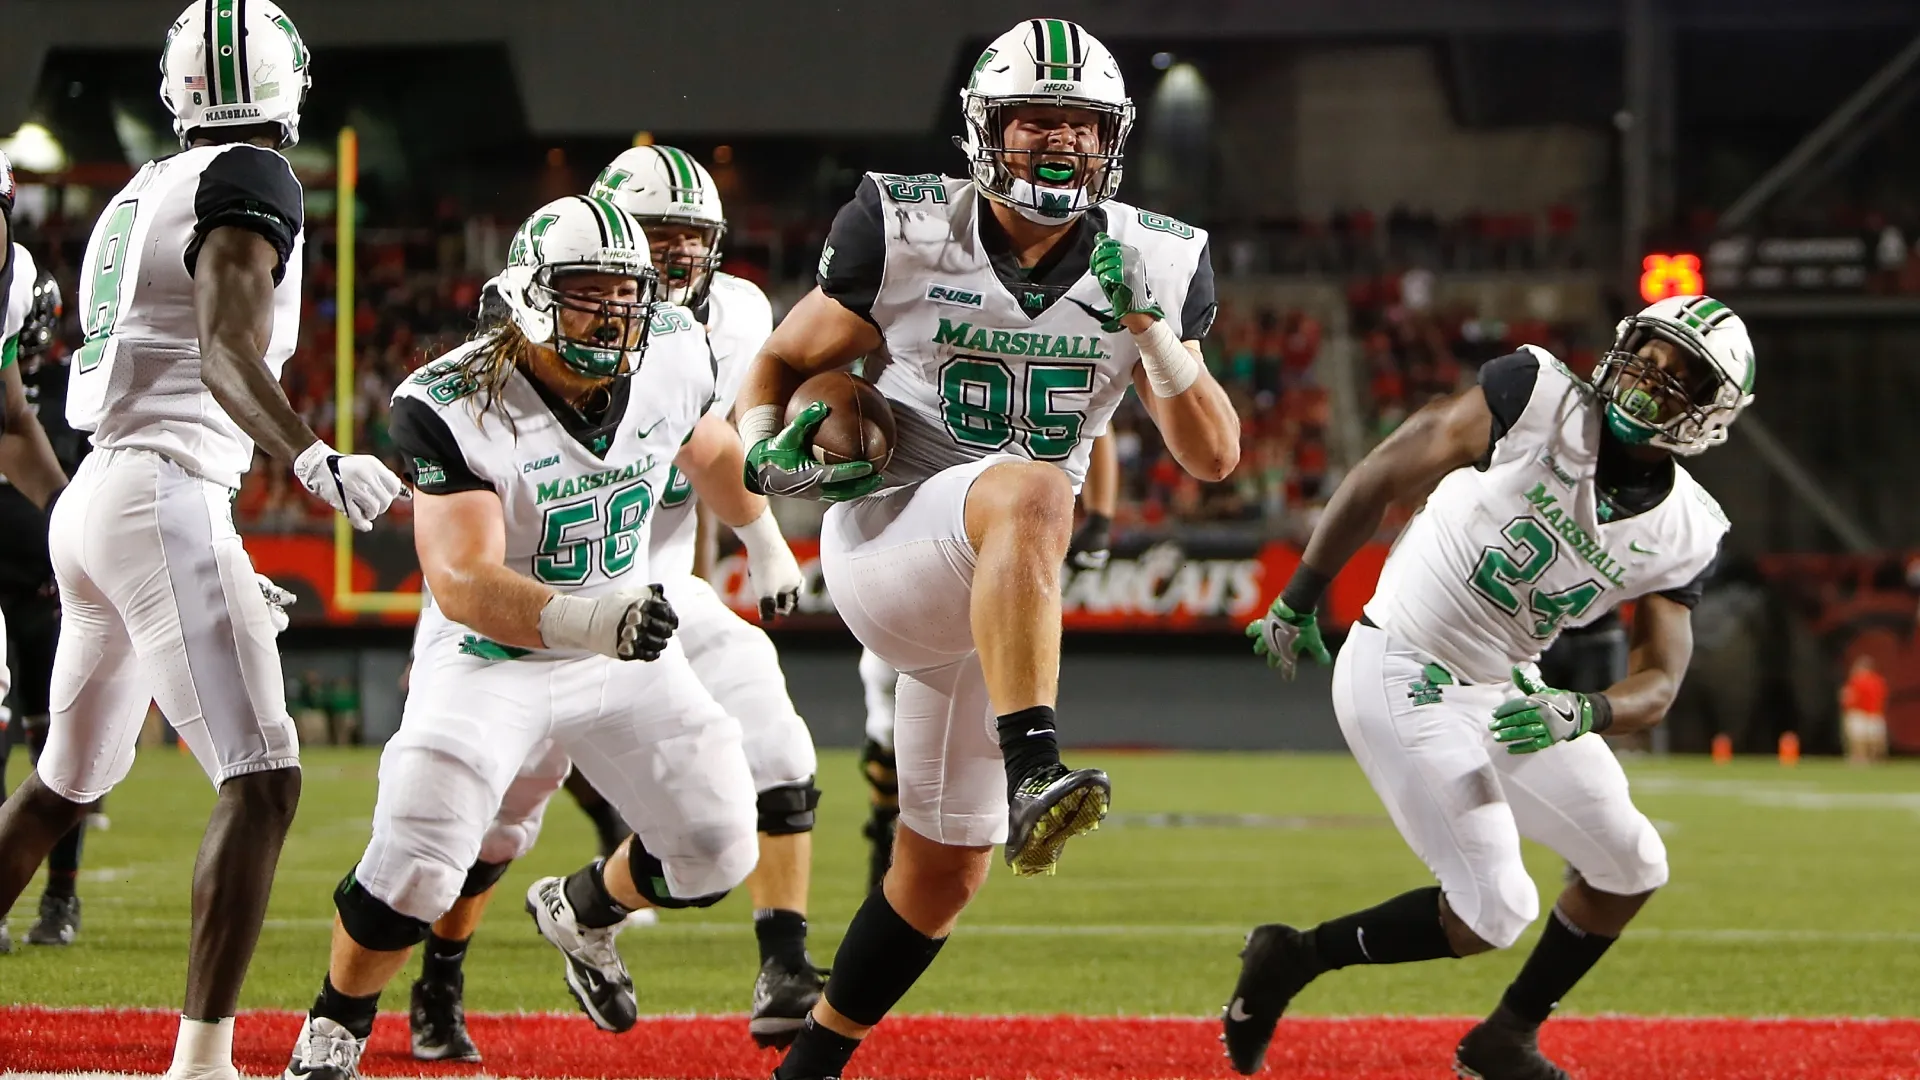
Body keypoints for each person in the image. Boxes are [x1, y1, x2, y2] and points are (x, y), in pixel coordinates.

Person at [737, 20, 1238, 1079]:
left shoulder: (1152, 255)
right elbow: (781, 360)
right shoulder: (909, 227)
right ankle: (1037, 766)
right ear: (985, 130)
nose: (1057, 146)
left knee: (942, 872)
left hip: (990, 604)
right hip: (889, 541)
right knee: (1028, 485)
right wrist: (762, 447)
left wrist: (1154, 338)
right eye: (1033, 123)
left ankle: (810, 1064)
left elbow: (1215, 457)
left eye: (1080, 127)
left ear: (1114, 140)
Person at [0, 8, 398, 1079]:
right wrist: (313, 461)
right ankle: (204, 1063)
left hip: (102, 499)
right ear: (289, 87)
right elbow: (223, 351)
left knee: (60, 788)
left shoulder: (137, 194)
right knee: (263, 778)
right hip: (158, 489)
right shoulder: (254, 179)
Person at [281, 195, 759, 1080]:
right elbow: (462, 582)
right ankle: (336, 1027)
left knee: (719, 843)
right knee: (422, 851)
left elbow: (713, 453)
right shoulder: (450, 401)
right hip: (493, 659)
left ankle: (583, 910)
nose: (616, 314)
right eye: (590, 293)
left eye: (629, 294)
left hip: (620, 654)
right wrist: (592, 618)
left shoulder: (676, 355)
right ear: (532, 296)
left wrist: (773, 491)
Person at [1225, 295, 1755, 1080]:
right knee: (1496, 908)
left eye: (1682, 376)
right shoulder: (1536, 396)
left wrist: (1585, 711)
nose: (1651, 377)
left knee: (1633, 862)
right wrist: (1301, 595)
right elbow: (1383, 471)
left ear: (1711, 414)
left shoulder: (1686, 531)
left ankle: (1505, 1037)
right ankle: (1293, 958)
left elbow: (1661, 682)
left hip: (1507, 689)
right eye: (1650, 352)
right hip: (1401, 661)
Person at [400, 146, 822, 1061]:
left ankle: (777, 962)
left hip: (661, 588)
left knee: (778, 739)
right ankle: (441, 976)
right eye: (656, 235)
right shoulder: (551, 328)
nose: (674, 257)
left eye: (691, 238)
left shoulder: (725, 320)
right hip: (542, 595)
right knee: (503, 817)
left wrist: (765, 537)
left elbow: (722, 452)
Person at [857, 432, 1119, 894]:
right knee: (887, 703)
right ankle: (890, 824)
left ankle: (1025, 776)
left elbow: (1100, 415)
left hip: (1012, 533)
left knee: (997, 687)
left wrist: (1100, 514)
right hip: (926, 531)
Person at [0, 267, 99, 949]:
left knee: (60, 743)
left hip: (44, 580)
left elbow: (76, 469)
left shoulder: (72, 384)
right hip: (28, 565)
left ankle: (60, 896)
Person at [1840, 654, 1887, 765]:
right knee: (1870, 739)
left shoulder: (1858, 680)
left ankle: (1862, 759)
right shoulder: (1877, 680)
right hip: (1870, 712)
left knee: (1860, 739)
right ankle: (1870, 759)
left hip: (1861, 712)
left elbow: (1848, 696)